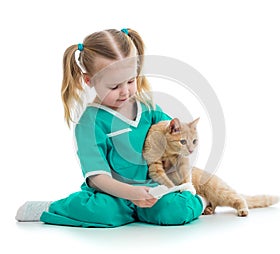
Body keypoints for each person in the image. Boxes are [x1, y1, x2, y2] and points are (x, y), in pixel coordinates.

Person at [15, 28, 205, 227]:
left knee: (174, 210)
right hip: (113, 195)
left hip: (152, 191)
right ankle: (54, 208)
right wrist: (130, 193)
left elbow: (172, 139)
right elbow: (97, 177)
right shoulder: (90, 123)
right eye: (114, 87)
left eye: (131, 81)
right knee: (103, 211)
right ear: (89, 81)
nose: (125, 92)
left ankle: (203, 201)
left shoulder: (149, 109)